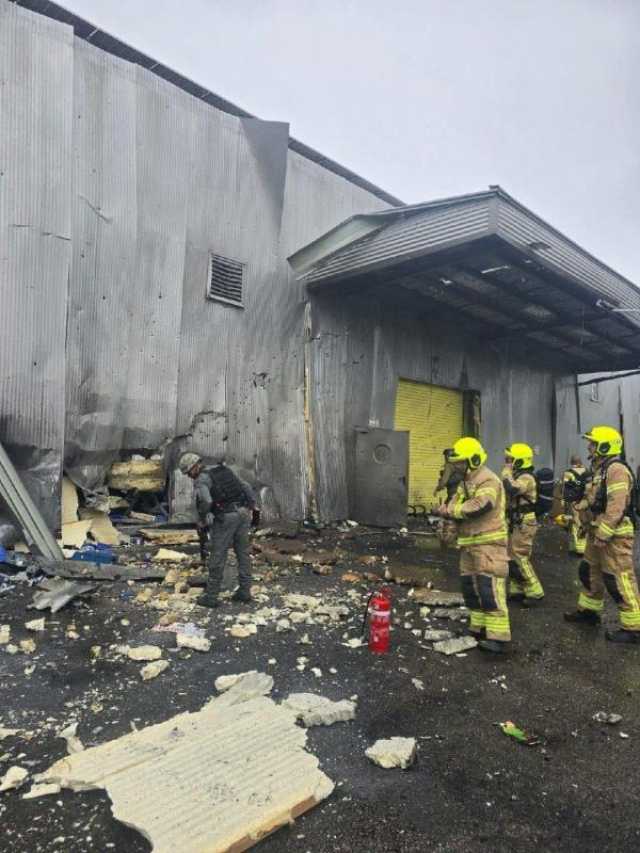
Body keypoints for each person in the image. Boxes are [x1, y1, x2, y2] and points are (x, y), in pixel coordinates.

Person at [564, 426, 640, 644]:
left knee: (618, 579)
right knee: (588, 572)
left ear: (605, 446)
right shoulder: (600, 469)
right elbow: (595, 499)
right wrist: (580, 504)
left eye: (593, 443)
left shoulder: (616, 469)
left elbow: (616, 505)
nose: (589, 446)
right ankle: (589, 612)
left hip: (614, 534)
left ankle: (634, 627)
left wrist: (604, 533)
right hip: (597, 530)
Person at [434, 437, 511, 654]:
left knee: (489, 589)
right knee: (471, 588)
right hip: (469, 544)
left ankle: (498, 637)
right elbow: (454, 507)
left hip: (489, 544)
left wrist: (449, 511)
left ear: (473, 460)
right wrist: (446, 529)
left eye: (459, 462)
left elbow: (481, 505)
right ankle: (478, 627)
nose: (456, 467)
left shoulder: (488, 480)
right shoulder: (464, 484)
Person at [178, 452, 259, 608]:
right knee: (243, 553)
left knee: (218, 555)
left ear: (194, 467)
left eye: (188, 473)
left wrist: (202, 519)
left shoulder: (201, 479)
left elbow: (207, 500)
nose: (189, 477)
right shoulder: (224, 469)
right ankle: (244, 591)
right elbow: (246, 486)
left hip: (226, 517)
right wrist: (252, 506)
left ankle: (211, 596)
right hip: (243, 513)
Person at [502, 443, 544, 606]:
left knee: (520, 557)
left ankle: (535, 591)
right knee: (511, 557)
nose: (507, 462)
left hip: (524, 522)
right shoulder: (518, 475)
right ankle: (518, 589)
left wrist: (506, 471)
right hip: (515, 520)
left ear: (519, 461)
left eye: (510, 459)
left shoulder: (527, 477)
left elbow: (512, 489)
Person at [433, 448, 464, 547]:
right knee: (458, 516)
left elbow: (443, 482)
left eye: (447, 455)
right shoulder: (463, 465)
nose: (446, 458)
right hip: (463, 495)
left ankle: (447, 540)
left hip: (453, 496)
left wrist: (437, 489)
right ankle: (457, 539)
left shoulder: (450, 465)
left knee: (447, 515)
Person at [562, 455, 587, 555]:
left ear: (571, 462)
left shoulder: (568, 473)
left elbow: (565, 488)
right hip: (583, 501)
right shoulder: (587, 471)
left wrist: (563, 500)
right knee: (581, 520)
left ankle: (575, 548)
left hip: (571, 500)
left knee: (572, 522)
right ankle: (578, 547)